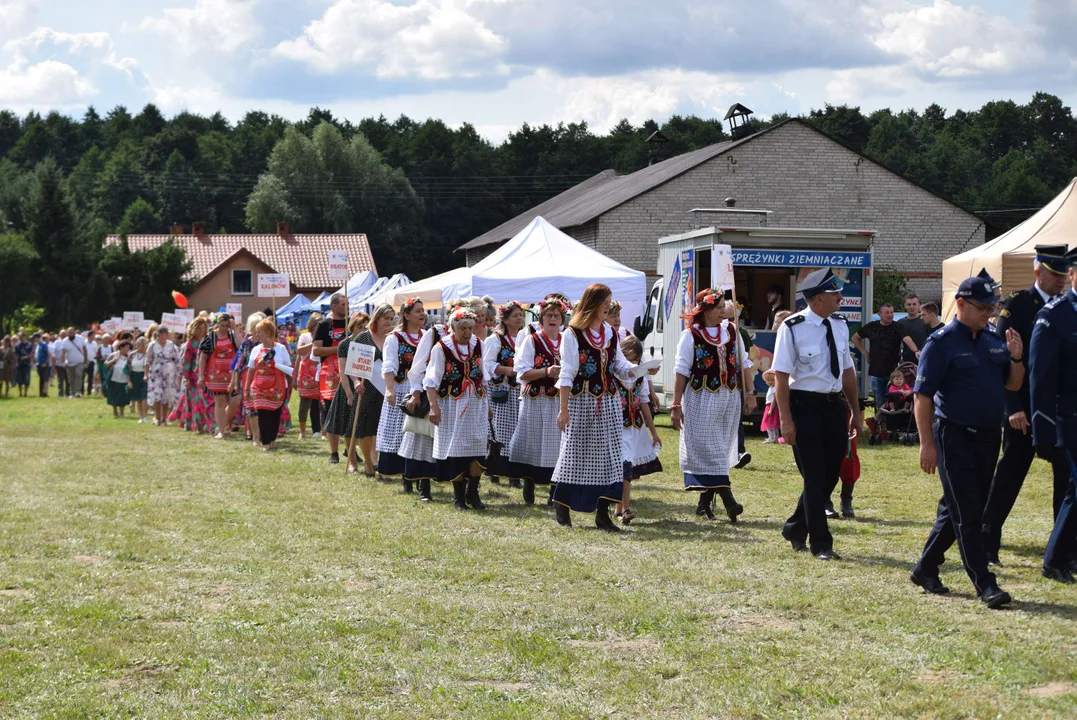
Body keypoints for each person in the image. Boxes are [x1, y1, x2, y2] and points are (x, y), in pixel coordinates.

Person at [909, 269, 1023, 609]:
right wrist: (926, 443)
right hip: (953, 436)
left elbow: (1013, 384)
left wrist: (1016, 356)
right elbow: (922, 396)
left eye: (992, 307)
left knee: (957, 507)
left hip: (988, 437)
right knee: (969, 512)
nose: (989, 312)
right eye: (983, 306)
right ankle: (985, 583)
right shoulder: (941, 343)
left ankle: (925, 567)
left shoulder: (992, 339)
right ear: (960, 304)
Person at [983, 245, 1072, 566]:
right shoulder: (1018, 306)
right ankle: (988, 540)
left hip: (1058, 410)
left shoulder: (1066, 308)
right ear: (1038, 272)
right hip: (1023, 409)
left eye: (1064, 275)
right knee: (1010, 476)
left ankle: (1063, 547)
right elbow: (1002, 360)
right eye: (1054, 274)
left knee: (1066, 478)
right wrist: (1012, 407)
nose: (1060, 281)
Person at [772, 268, 862, 561]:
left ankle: (795, 527)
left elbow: (847, 371)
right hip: (805, 406)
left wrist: (855, 411)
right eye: (835, 292)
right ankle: (821, 544)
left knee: (830, 475)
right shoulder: (792, 327)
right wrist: (785, 419)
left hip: (834, 406)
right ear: (818, 298)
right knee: (813, 477)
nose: (840, 297)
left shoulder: (838, 324)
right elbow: (782, 377)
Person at [551, 283, 635, 531]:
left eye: (610, 303)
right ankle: (562, 505)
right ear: (593, 304)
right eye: (605, 303)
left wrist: (640, 369)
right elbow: (567, 372)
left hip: (608, 402)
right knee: (575, 452)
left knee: (609, 456)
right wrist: (563, 409)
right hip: (581, 401)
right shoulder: (573, 333)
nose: (609, 307)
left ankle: (603, 514)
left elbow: (619, 365)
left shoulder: (610, 332)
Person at [671, 290, 754, 522]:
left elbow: (743, 362)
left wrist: (750, 392)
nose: (722, 311)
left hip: (728, 397)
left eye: (722, 307)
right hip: (700, 399)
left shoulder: (731, 330)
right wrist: (676, 404)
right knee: (712, 449)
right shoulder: (691, 336)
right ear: (706, 309)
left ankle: (703, 504)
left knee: (720, 446)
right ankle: (729, 502)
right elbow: (681, 371)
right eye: (718, 307)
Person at [1029, 246, 1077, 584]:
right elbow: (1040, 377)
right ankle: (1055, 558)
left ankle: (1066, 555)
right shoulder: (1054, 314)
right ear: (1073, 273)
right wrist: (1042, 428)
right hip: (1067, 418)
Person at [425, 308, 491, 510]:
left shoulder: (479, 344)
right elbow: (431, 381)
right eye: (463, 328)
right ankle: (459, 497)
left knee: (478, 447)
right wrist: (434, 407)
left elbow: (484, 377)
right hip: (451, 405)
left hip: (476, 404)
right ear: (452, 327)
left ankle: (473, 492)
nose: (467, 332)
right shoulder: (441, 347)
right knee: (456, 449)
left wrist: (488, 406)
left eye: (470, 328)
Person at [508, 297, 566, 506]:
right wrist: (545, 371)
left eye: (557, 316)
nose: (553, 318)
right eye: (548, 315)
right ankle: (529, 482)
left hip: (559, 400)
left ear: (562, 319)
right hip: (536, 399)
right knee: (532, 442)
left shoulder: (566, 340)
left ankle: (554, 490)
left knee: (557, 444)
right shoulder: (531, 340)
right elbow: (521, 373)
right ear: (541, 319)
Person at [616, 335, 662, 524]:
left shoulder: (640, 378)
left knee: (626, 465)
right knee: (622, 465)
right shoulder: (614, 374)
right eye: (629, 359)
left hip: (633, 426)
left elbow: (644, 404)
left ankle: (622, 509)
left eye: (636, 360)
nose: (633, 364)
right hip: (616, 425)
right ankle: (622, 508)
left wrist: (654, 432)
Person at [381, 298, 425, 492]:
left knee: (420, 432)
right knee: (400, 431)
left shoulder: (428, 336)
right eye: (418, 311)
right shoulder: (394, 338)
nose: (422, 314)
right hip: (401, 390)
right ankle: (405, 477)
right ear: (406, 315)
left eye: (423, 311)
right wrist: (390, 389)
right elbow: (389, 365)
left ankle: (421, 475)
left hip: (422, 390)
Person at [484, 301, 525, 489]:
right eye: (515, 315)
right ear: (506, 319)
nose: (519, 318)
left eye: (520, 315)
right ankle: (496, 469)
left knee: (518, 429)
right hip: (502, 391)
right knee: (501, 429)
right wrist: (508, 370)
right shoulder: (495, 339)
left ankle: (514, 473)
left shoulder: (526, 338)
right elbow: (488, 364)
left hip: (520, 390)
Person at [852, 302, 919, 411]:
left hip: (894, 373)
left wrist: (916, 350)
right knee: (879, 401)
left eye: (892, 312)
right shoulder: (872, 326)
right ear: (879, 314)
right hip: (876, 371)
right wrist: (864, 352)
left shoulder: (898, 326)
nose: (890, 315)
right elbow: (855, 338)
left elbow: (907, 339)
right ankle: (880, 426)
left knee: (893, 401)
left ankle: (891, 424)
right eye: (887, 313)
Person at [322, 313, 367, 473]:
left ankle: (369, 460)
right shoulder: (345, 344)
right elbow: (343, 371)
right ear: (352, 327)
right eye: (359, 327)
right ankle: (352, 461)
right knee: (349, 425)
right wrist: (349, 393)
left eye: (365, 327)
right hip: (348, 386)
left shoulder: (370, 343)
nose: (362, 330)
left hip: (367, 386)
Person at [356, 304, 394, 478]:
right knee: (368, 427)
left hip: (387, 388)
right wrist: (356, 382)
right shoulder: (363, 338)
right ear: (376, 318)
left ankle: (381, 463)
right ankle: (369, 460)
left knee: (384, 426)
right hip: (368, 388)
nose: (389, 322)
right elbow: (353, 366)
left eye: (392, 319)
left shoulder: (393, 338)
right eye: (386, 318)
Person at [244, 318, 294, 451]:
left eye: (259, 332)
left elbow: (289, 368)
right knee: (262, 414)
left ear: (267, 332)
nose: (257, 335)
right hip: (259, 387)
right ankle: (265, 442)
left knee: (274, 415)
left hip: (277, 388)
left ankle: (272, 439)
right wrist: (247, 388)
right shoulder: (255, 349)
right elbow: (251, 370)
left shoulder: (281, 348)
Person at [313, 293, 350, 464]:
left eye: (348, 303)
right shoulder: (323, 325)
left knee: (350, 413)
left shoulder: (352, 323)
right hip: (329, 375)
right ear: (334, 306)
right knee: (331, 413)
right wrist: (339, 349)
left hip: (350, 373)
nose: (347, 307)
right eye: (343, 304)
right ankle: (334, 453)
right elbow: (316, 350)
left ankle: (349, 450)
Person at [170, 318, 215, 434]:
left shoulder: (207, 340)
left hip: (206, 376)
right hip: (193, 378)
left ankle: (208, 426)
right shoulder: (190, 343)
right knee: (197, 403)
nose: (202, 331)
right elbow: (186, 362)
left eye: (204, 328)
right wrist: (187, 379)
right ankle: (198, 426)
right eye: (199, 328)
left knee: (208, 402)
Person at [198, 313, 239, 439]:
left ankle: (224, 423)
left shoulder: (233, 335)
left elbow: (240, 346)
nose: (224, 328)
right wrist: (201, 376)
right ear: (217, 324)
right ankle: (221, 430)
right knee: (220, 402)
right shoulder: (210, 337)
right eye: (222, 325)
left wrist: (235, 329)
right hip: (215, 376)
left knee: (235, 400)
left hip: (232, 375)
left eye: (227, 326)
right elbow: (203, 357)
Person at [231, 313, 267, 444]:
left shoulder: (268, 344)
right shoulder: (247, 343)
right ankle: (256, 437)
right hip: (248, 378)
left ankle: (263, 435)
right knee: (251, 409)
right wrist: (235, 383)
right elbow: (239, 364)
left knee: (263, 407)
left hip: (264, 377)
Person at [146, 327, 181, 426]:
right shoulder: (152, 345)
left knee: (166, 395)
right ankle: (157, 417)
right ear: (157, 335)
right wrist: (145, 374)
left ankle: (164, 418)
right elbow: (148, 360)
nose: (162, 336)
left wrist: (178, 375)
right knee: (157, 394)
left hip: (169, 373)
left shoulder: (172, 346)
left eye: (164, 334)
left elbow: (177, 361)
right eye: (160, 334)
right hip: (156, 373)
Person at [104, 340, 133, 417]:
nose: (127, 349)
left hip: (124, 380)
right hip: (113, 379)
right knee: (113, 396)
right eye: (126, 347)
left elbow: (131, 368)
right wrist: (113, 361)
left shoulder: (129, 357)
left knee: (123, 397)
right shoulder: (114, 355)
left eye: (128, 348)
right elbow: (106, 365)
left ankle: (121, 413)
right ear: (121, 347)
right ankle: (115, 411)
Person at [899, 293, 929, 365]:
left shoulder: (925, 321)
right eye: (909, 304)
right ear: (905, 306)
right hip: (906, 364)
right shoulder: (900, 323)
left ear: (919, 305)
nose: (911, 307)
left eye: (914, 304)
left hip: (924, 362)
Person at [128, 337, 149, 423]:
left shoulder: (148, 355)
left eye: (142, 345)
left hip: (145, 377)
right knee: (138, 398)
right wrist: (129, 381)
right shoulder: (132, 355)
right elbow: (127, 369)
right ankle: (141, 416)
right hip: (135, 377)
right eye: (138, 344)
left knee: (144, 397)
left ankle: (145, 416)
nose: (139, 346)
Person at [14, 331, 33, 397]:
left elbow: (32, 354)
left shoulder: (29, 345)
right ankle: (20, 393)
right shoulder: (17, 345)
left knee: (27, 380)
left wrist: (26, 357)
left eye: (21, 337)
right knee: (19, 380)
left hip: (27, 364)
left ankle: (25, 393)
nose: (20, 338)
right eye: (19, 337)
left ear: (24, 336)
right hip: (19, 364)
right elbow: (15, 354)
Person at [33, 332, 50, 397]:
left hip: (44, 364)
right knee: (41, 379)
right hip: (39, 364)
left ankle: (45, 392)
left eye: (35, 338)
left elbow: (48, 354)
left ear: (38, 338)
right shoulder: (38, 345)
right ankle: (41, 392)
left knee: (45, 379)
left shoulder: (43, 344)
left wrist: (45, 362)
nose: (34, 340)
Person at [84, 331, 99, 396]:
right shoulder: (84, 343)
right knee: (82, 376)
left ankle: (89, 391)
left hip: (92, 361)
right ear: (89, 336)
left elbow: (96, 352)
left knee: (90, 377)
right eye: (93, 335)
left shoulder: (95, 343)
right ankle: (81, 391)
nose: (94, 337)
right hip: (84, 361)